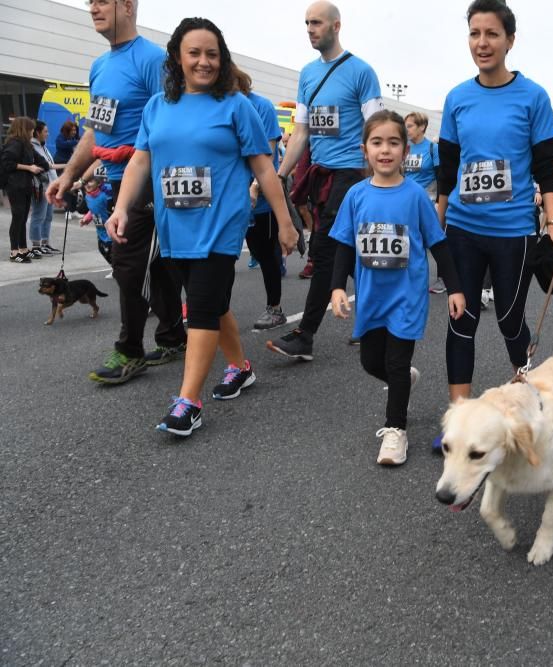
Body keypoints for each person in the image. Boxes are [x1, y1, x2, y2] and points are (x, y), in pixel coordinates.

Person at [107, 17, 297, 436]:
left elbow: (264, 169)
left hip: (220, 224)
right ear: (178, 57)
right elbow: (141, 160)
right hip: (175, 225)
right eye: (194, 53)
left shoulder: (235, 105)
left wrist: (285, 223)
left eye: (212, 54)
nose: (204, 62)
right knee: (210, 302)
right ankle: (240, 367)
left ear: (222, 58)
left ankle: (188, 401)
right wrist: (121, 208)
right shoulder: (158, 106)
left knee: (202, 308)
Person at [46, 0, 186, 384]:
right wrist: (70, 175)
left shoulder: (152, 60)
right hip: (117, 181)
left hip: (150, 183)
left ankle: (130, 351)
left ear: (128, 5)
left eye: (102, 0)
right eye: (89, 1)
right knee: (155, 266)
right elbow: (96, 129)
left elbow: (176, 120)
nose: (93, 7)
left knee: (126, 265)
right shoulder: (99, 66)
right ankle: (173, 336)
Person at [436, 0, 553, 412]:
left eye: (491, 34)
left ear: (510, 40)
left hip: (513, 232)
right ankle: (459, 415)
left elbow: (547, 170)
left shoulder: (533, 97)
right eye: (475, 33)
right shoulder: (457, 98)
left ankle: (528, 397)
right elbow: (448, 170)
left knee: (509, 320)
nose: (482, 42)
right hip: (463, 228)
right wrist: (437, 221)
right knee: (462, 319)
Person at [329, 110, 464, 465]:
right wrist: (337, 287)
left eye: (393, 142)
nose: (385, 150)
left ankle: (395, 432)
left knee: (396, 359)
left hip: (406, 296)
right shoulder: (356, 196)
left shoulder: (416, 196)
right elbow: (344, 245)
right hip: (372, 297)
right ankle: (402, 377)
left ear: (406, 151)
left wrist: (455, 288)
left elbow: (439, 244)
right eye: (377, 142)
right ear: (365, 150)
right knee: (371, 361)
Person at [267, 1, 385, 360]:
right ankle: (377, 322)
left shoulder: (361, 72)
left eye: (316, 22)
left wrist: (379, 182)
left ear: (336, 26)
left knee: (324, 251)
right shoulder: (307, 74)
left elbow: (376, 128)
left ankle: (306, 335)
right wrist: (279, 176)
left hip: (350, 175)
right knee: (350, 255)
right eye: (306, 23)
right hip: (319, 176)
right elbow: (301, 132)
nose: (310, 29)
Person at [234, 68, 288, 331]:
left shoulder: (261, 106)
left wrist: (255, 187)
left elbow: (268, 155)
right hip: (229, 200)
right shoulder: (218, 106)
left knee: (265, 255)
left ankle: (275, 308)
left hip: (260, 200)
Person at [403, 111, 445, 294]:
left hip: (427, 200)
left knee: (431, 240)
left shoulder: (432, 148)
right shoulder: (404, 148)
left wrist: (439, 202)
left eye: (410, 126)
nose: (406, 130)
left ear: (422, 127)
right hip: (405, 200)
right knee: (408, 240)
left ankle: (442, 278)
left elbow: (441, 176)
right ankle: (409, 277)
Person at [2, 117, 46, 263]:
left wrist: (45, 166)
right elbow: (7, 163)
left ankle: (23, 248)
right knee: (18, 217)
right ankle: (14, 252)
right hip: (15, 186)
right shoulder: (14, 143)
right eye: (31, 128)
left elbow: (41, 161)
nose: (33, 131)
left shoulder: (27, 144)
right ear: (24, 128)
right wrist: (29, 167)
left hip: (25, 185)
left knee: (23, 218)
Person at [29, 120, 59, 258]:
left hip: (50, 186)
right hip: (40, 186)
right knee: (38, 215)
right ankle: (36, 245)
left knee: (48, 216)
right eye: (45, 131)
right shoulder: (32, 147)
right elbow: (47, 166)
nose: (48, 134)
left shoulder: (43, 146)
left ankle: (45, 243)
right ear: (37, 132)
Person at [81, 173, 114, 266]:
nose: (87, 184)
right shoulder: (87, 196)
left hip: (110, 229)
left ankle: (117, 269)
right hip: (100, 229)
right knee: (102, 249)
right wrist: (86, 219)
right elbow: (93, 210)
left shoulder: (104, 196)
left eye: (90, 181)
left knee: (113, 251)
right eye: (86, 182)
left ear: (99, 183)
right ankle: (115, 268)